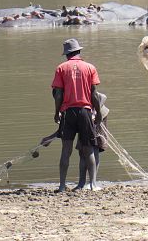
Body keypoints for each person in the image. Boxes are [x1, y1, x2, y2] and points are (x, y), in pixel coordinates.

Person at [51, 38, 102, 192]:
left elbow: (58, 94)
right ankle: (92, 184)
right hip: (85, 111)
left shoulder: (61, 68)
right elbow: (94, 94)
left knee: (66, 150)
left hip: (68, 112)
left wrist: (57, 112)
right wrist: (98, 112)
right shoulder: (90, 68)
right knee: (89, 149)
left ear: (67, 54)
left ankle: (61, 186)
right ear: (79, 51)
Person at [74, 92, 109, 191]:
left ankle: (92, 183)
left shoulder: (84, 85)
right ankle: (82, 182)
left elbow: (102, 96)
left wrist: (95, 112)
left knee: (95, 147)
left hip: (98, 116)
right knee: (82, 150)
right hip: (84, 116)